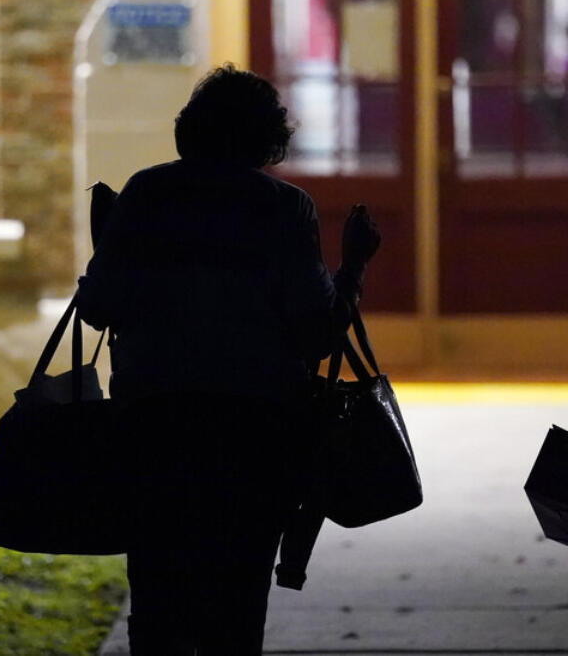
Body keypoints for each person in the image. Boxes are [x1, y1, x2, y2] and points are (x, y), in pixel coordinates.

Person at [76, 64, 381, 655]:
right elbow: (317, 333)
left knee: (158, 598)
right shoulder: (285, 209)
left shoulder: (147, 193)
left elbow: (97, 307)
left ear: (191, 128)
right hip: (256, 432)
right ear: (267, 136)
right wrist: (355, 265)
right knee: (237, 606)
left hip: (155, 423)